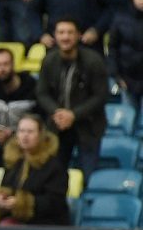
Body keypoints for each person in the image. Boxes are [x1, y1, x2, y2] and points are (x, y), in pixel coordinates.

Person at [35, 18, 109, 175]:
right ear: (55, 36)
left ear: (78, 35)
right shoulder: (49, 60)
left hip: (89, 127)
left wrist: (73, 115)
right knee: (54, 176)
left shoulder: (94, 61)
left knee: (88, 176)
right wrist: (57, 112)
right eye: (61, 32)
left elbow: (101, 96)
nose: (65, 37)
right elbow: (42, 93)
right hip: (57, 127)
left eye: (70, 32)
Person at [0, 114, 70, 225]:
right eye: (21, 131)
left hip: (46, 224)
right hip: (15, 221)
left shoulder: (54, 165)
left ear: (40, 135)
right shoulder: (14, 162)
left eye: (30, 132)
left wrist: (21, 203)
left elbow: (55, 202)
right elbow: (6, 187)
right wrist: (2, 198)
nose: (25, 136)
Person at [0, 47, 38, 167]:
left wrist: (14, 132)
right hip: (5, 147)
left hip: (32, 148)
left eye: (6, 64)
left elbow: (41, 118)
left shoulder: (32, 88)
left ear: (13, 64)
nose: (2, 69)